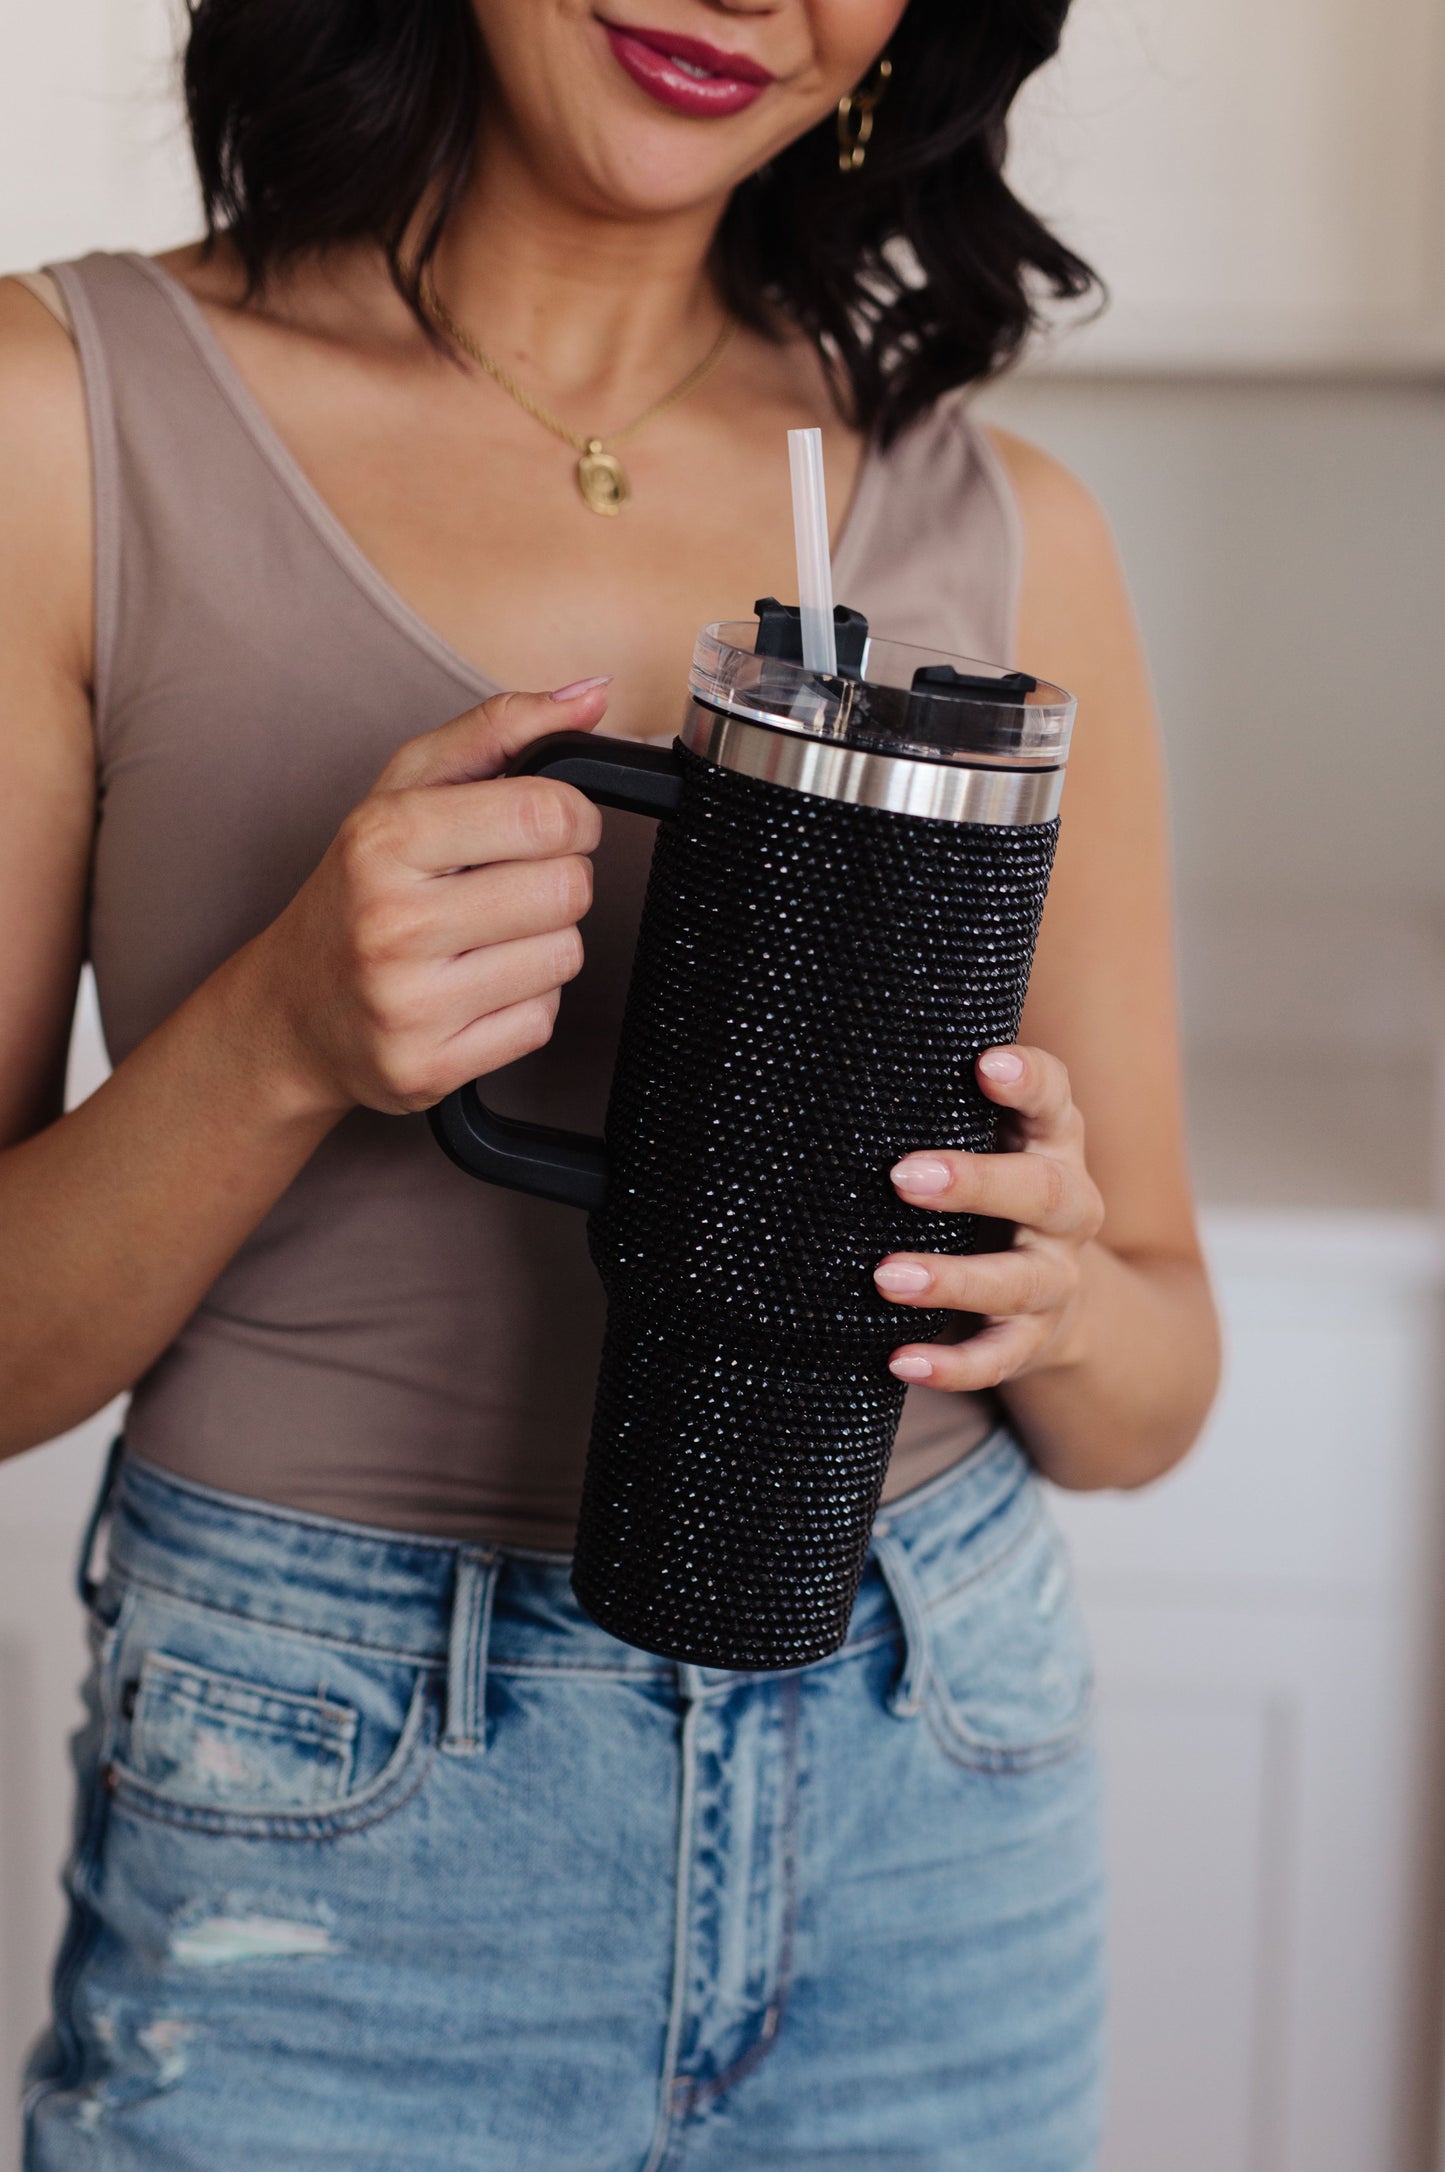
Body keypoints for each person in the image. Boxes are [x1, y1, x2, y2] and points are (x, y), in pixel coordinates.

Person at [1, 1, 1220, 2164]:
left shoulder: (1006, 527)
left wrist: (1055, 1299)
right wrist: (284, 1034)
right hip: (328, 1814)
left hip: (934, 1763)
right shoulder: (59, 422)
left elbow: (1155, 1390)